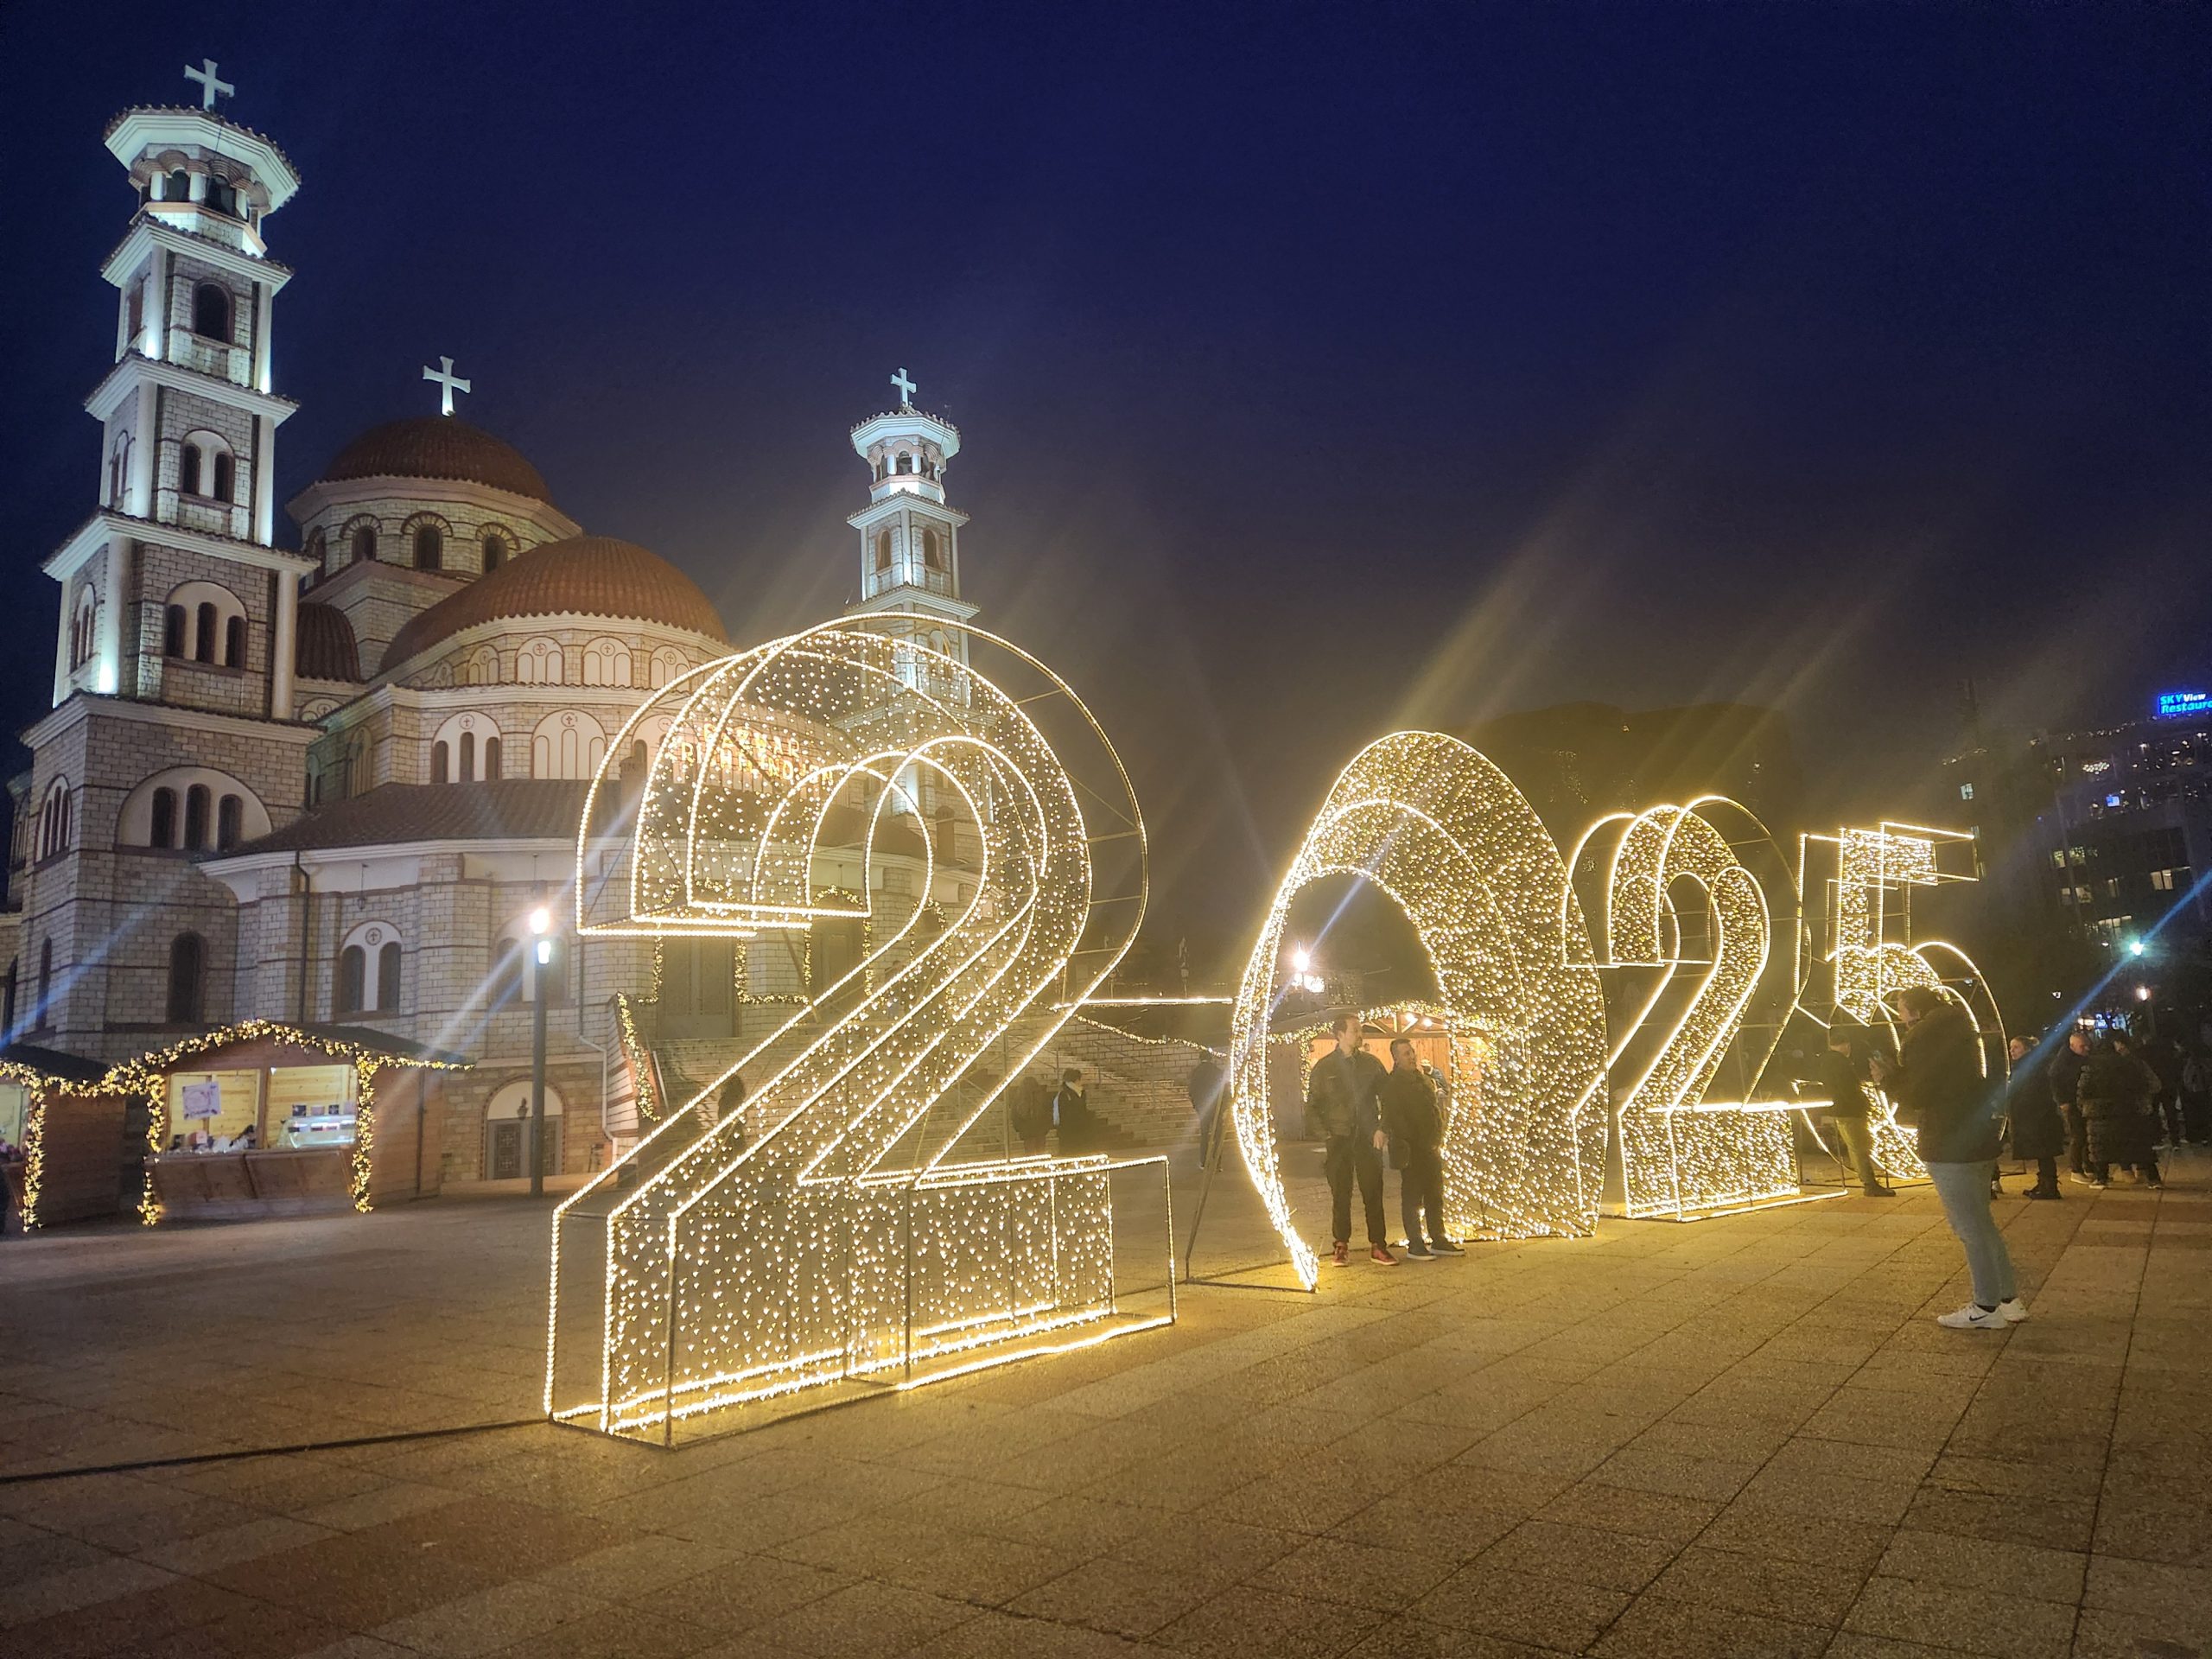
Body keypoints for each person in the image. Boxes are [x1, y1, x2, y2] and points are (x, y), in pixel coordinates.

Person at [1874, 986, 2023, 1329]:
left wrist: (1887, 1079)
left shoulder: (1924, 1038)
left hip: (1948, 1142)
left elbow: (1919, 1093)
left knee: (1968, 1226)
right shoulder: (1960, 1032)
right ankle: (2008, 1300)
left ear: (1913, 1011)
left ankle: (1985, 1308)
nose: (1899, 1017)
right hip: (1976, 1139)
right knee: (1982, 1224)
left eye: (1900, 1010)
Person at [1306, 1014, 1395, 1267]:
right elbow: (1312, 1106)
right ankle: (1341, 1245)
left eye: (1359, 1030)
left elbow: (1387, 1098)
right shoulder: (1324, 1068)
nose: (1359, 1034)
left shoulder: (1371, 1064)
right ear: (1340, 1034)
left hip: (1367, 1139)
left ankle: (1378, 1245)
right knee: (1340, 1194)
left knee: (1373, 1192)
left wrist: (1382, 1128)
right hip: (1340, 1139)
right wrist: (1327, 1135)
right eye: (1355, 1030)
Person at [1379, 1038, 1458, 1258]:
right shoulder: (1393, 1085)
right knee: (1413, 1197)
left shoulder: (1423, 1080)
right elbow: (1397, 1117)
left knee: (1435, 1194)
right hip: (1411, 1149)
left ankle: (1438, 1238)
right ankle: (1415, 1243)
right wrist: (1415, 1141)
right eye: (1405, 1053)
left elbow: (1433, 1111)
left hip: (1430, 1147)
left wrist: (1436, 1136)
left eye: (1411, 1051)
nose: (1411, 1056)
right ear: (1396, 1058)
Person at [1808, 1024, 1894, 1196]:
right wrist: (1863, 1102)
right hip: (1851, 1110)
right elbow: (1849, 1088)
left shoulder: (1826, 1062)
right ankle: (1870, 1184)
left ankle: (1868, 1182)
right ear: (1846, 1046)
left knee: (1855, 1147)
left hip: (1841, 1110)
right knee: (1860, 1146)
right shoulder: (1841, 1063)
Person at [2079, 1035, 2162, 1190]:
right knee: (2139, 1145)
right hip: (2128, 1109)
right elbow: (2147, 1084)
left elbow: (2083, 1090)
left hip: (2100, 1112)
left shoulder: (2092, 1066)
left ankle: (2102, 1178)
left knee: (2100, 1147)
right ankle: (2154, 1179)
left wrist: (2084, 1107)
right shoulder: (2130, 1063)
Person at [2005, 1033, 2067, 1200]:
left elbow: (2031, 1091)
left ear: (2027, 1049)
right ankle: (2045, 1184)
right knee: (2042, 1152)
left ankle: (2049, 1187)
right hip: (2033, 1115)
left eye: (2016, 1047)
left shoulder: (2032, 1067)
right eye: (2011, 1047)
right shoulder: (2026, 1065)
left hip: (2037, 1116)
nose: (2012, 1051)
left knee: (2044, 1151)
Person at [2049, 1028, 2094, 1186]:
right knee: (2078, 1135)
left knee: (2085, 1134)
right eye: (2083, 1046)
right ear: (2072, 1046)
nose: (2087, 1049)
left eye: (2087, 1045)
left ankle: (2088, 1167)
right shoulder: (2063, 1062)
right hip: (2071, 1102)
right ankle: (2076, 1169)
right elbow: (2055, 1081)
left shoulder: (2080, 1059)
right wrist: (2063, 1101)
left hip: (2080, 1101)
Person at [1185, 1054, 1228, 1165]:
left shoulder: (1196, 1072)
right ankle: (1217, 1161)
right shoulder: (1217, 1071)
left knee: (1204, 1135)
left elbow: (1192, 1091)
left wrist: (1197, 1106)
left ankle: (1203, 1161)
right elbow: (1225, 1091)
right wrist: (1223, 1107)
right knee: (1218, 1135)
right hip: (1216, 1108)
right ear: (1211, 1058)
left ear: (1200, 1058)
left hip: (1203, 1108)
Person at [1052, 1067, 1097, 1156]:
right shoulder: (1064, 1094)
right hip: (1069, 1131)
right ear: (1076, 1080)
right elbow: (1064, 1114)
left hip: (1079, 1130)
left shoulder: (1080, 1093)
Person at [1009, 1073, 1053, 1156]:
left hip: (1027, 1129)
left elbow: (1015, 1115)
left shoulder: (1019, 1097)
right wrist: (1047, 1126)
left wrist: (1019, 1128)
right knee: (1041, 1152)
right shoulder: (1042, 1095)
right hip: (1040, 1128)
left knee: (1030, 1154)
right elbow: (1048, 1111)